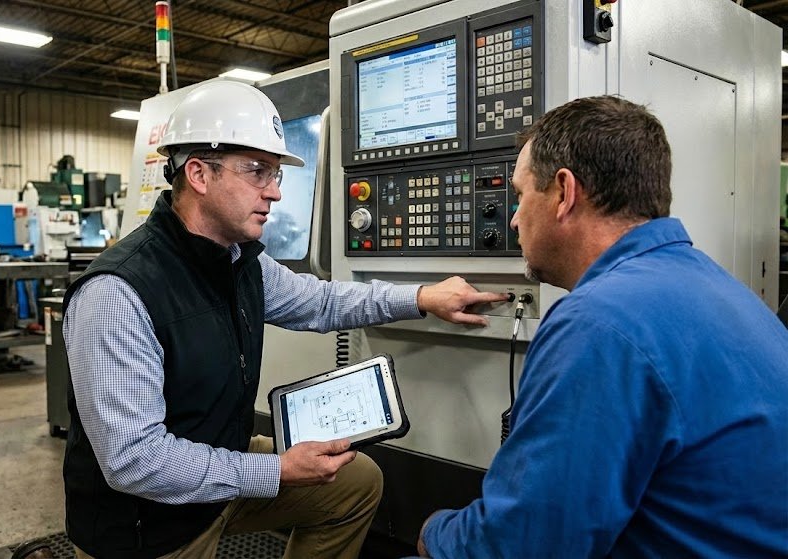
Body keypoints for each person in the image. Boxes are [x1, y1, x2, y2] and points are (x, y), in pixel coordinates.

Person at [62, 80, 508, 559]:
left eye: (276, 174)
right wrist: (276, 470)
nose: (274, 192)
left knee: (354, 482)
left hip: (219, 470)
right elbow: (134, 461)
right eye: (258, 172)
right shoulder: (117, 293)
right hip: (147, 526)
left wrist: (422, 297)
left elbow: (321, 302)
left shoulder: (239, 263)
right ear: (198, 174)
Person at [416, 96, 788, 557]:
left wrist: (434, 533)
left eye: (519, 195)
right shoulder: (723, 291)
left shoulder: (598, 323)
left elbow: (524, 545)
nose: (513, 218)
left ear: (564, 193)